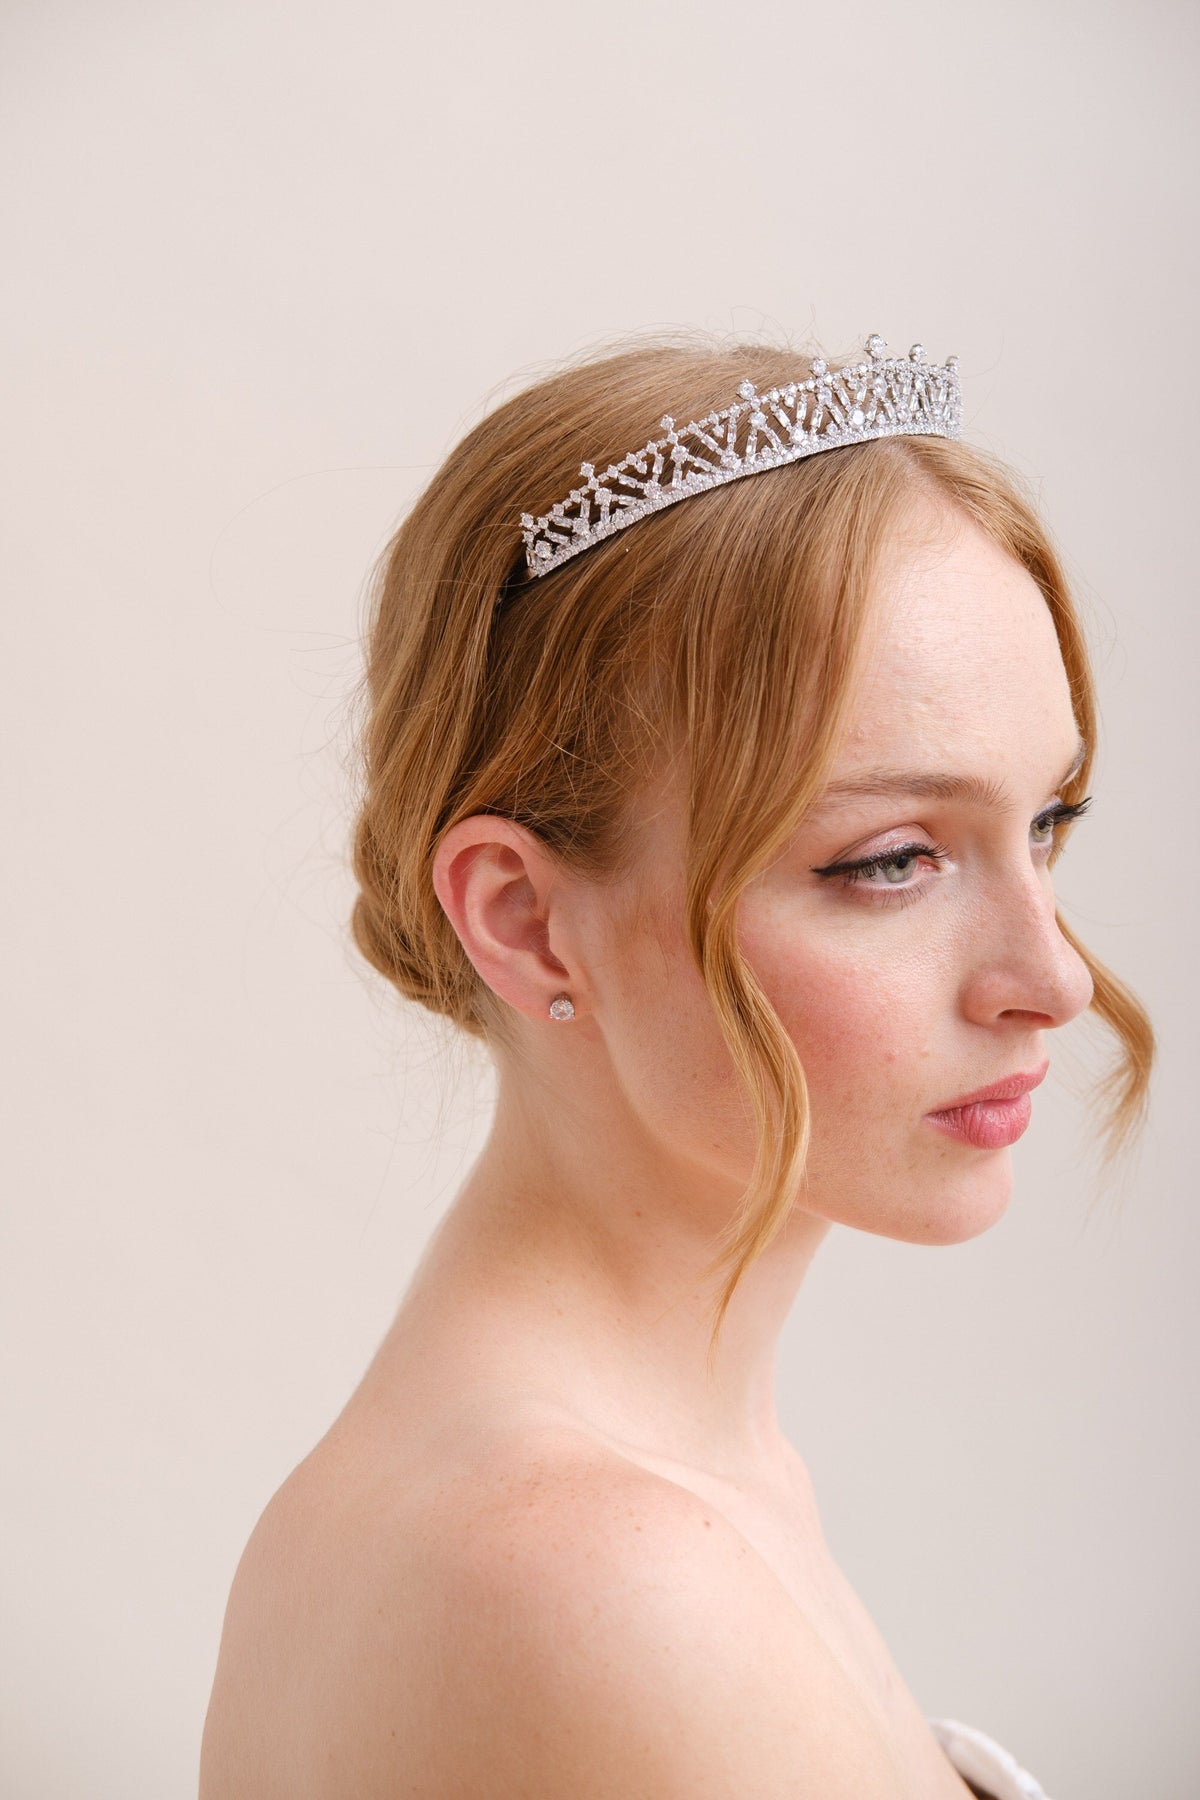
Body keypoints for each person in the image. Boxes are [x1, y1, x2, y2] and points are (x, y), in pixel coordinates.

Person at [200, 331, 1153, 1798]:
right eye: (893, 859)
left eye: (1046, 824)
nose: (1057, 980)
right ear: (526, 922)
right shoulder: (598, 1576)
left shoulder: (658, 1486)